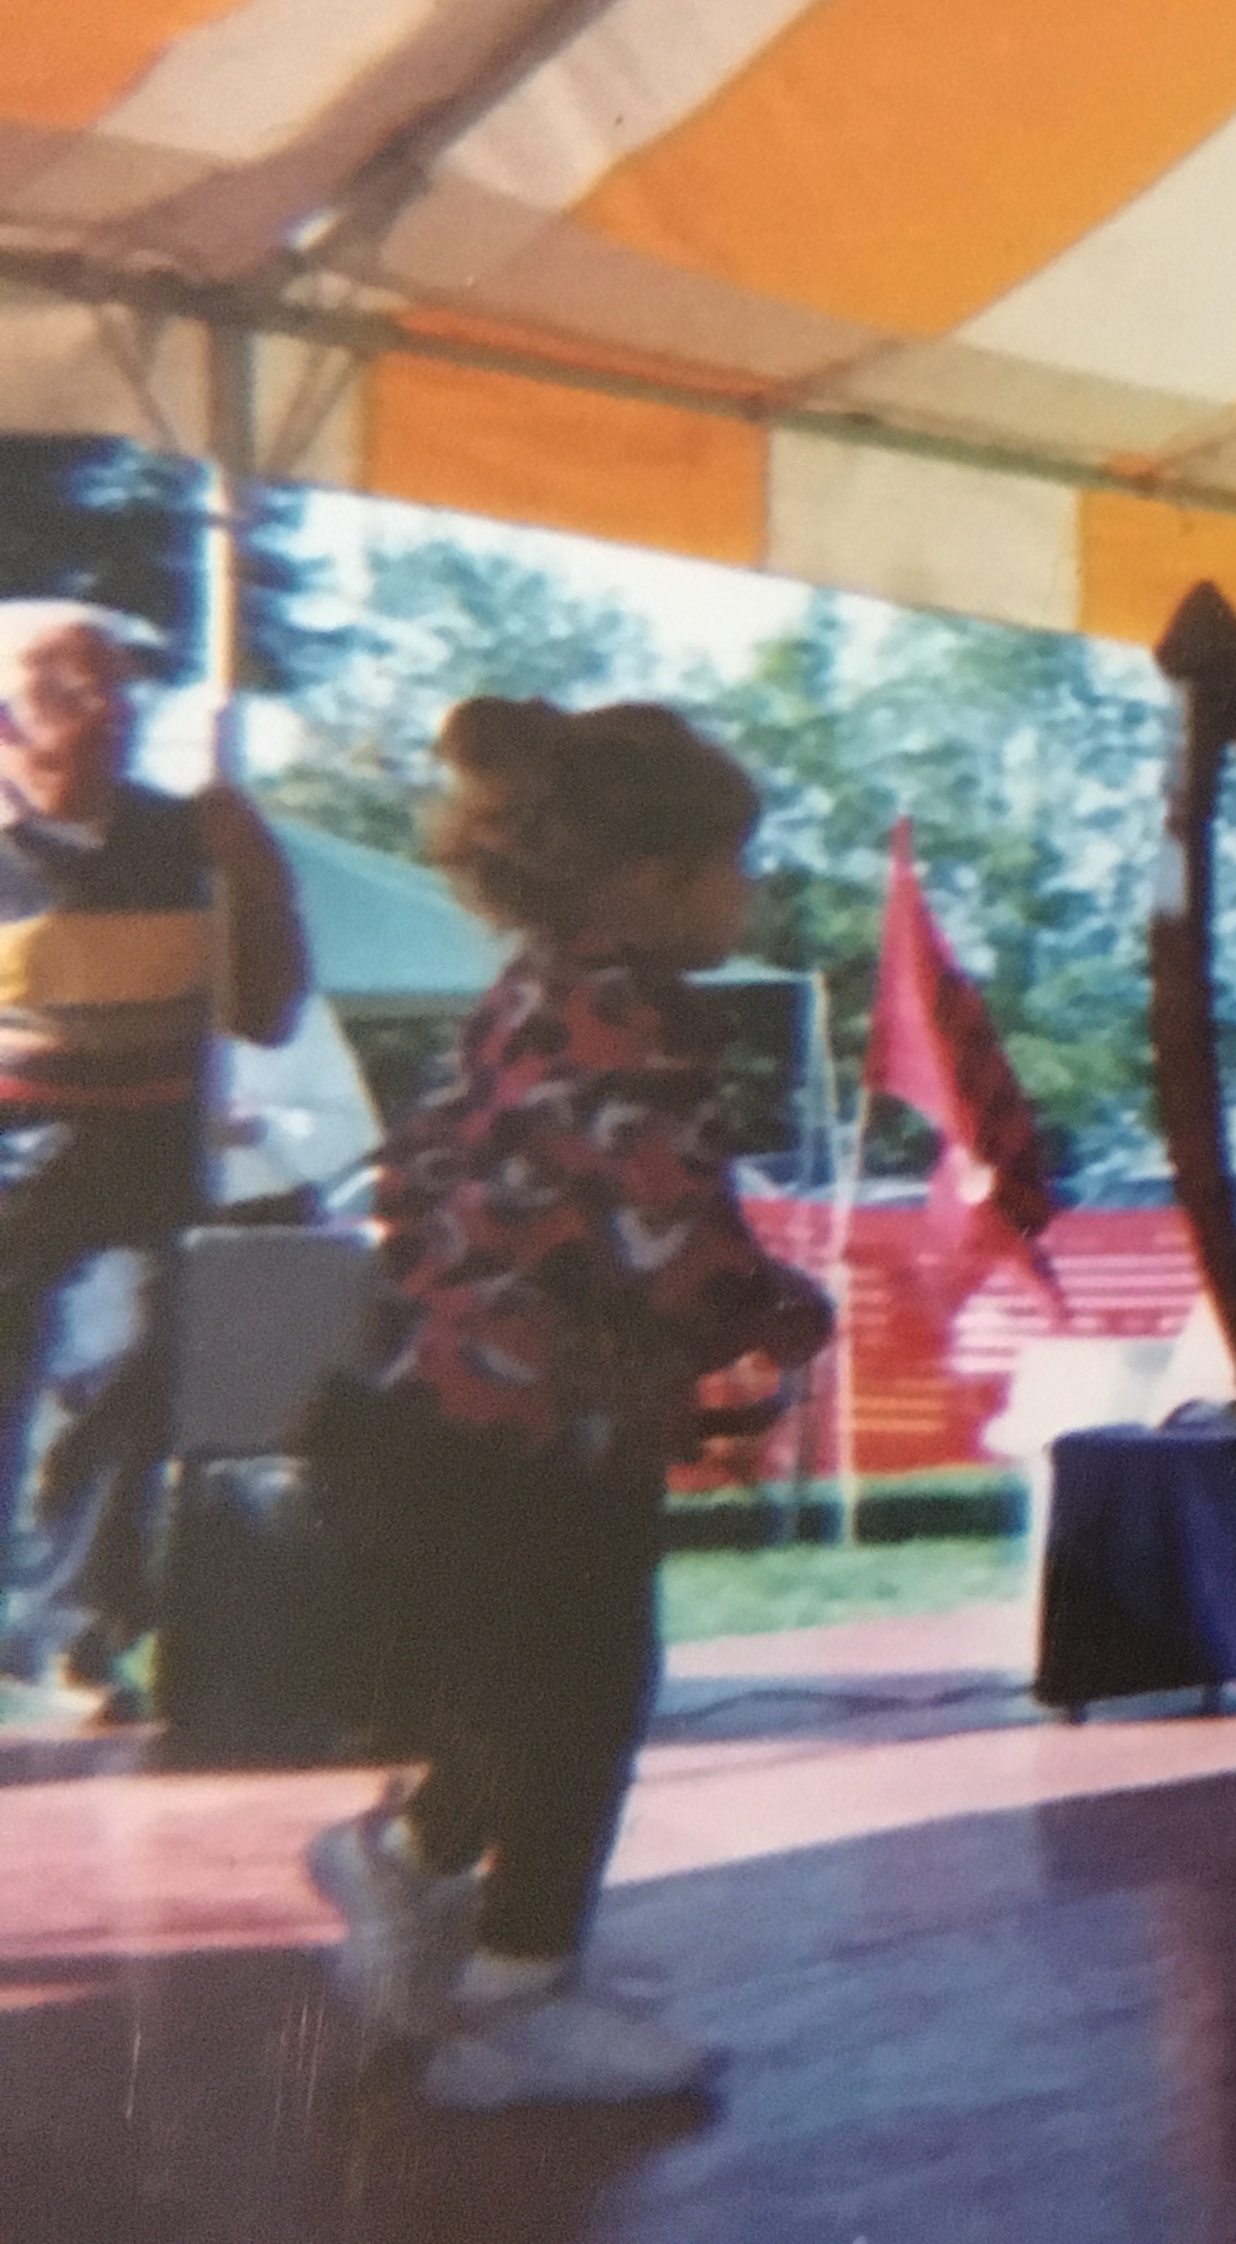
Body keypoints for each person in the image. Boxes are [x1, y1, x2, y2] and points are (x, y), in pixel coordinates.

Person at [305, 699, 831, 2108]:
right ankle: (516, 1988)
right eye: (733, 865)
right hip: (546, 1426)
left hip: (457, 1409)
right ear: (651, 881)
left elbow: (436, 1172)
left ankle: (413, 1867)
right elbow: (676, 1242)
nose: (748, 893)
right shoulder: (631, 1023)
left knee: (525, 1688)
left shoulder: (530, 995)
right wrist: (785, 1315)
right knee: (589, 1690)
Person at [0, 601, 309, 1720]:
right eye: (67, 686)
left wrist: (260, 879)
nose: (109, 706)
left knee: (125, 1360)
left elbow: (266, 1015)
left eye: (120, 681)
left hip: (135, 1168)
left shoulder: (190, 841)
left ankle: (68, 1635)